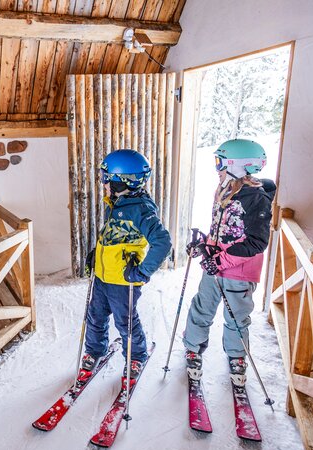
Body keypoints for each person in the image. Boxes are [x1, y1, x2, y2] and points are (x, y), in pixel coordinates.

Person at [182, 139, 275, 386]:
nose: (218, 168)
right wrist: (204, 244)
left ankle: (236, 357)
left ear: (238, 165)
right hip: (214, 267)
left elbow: (256, 242)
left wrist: (220, 260)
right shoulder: (224, 191)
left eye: (220, 162)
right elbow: (222, 231)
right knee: (201, 307)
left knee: (236, 317)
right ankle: (193, 347)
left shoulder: (256, 199)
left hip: (238, 273)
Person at [82, 149, 172, 382]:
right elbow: (114, 236)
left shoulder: (140, 209)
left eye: (106, 177)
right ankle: (95, 351)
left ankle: (136, 356)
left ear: (121, 181)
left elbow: (163, 242)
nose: (103, 183)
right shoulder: (116, 203)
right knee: (95, 316)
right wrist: (96, 254)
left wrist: (142, 272)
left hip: (123, 279)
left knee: (125, 321)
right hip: (103, 276)